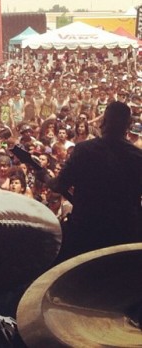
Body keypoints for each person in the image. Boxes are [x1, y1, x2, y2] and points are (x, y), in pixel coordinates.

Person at [43, 101, 142, 262]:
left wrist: (47, 179)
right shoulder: (137, 157)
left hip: (87, 228)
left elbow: (60, 185)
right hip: (124, 231)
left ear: (103, 123)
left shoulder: (83, 150)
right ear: (128, 125)